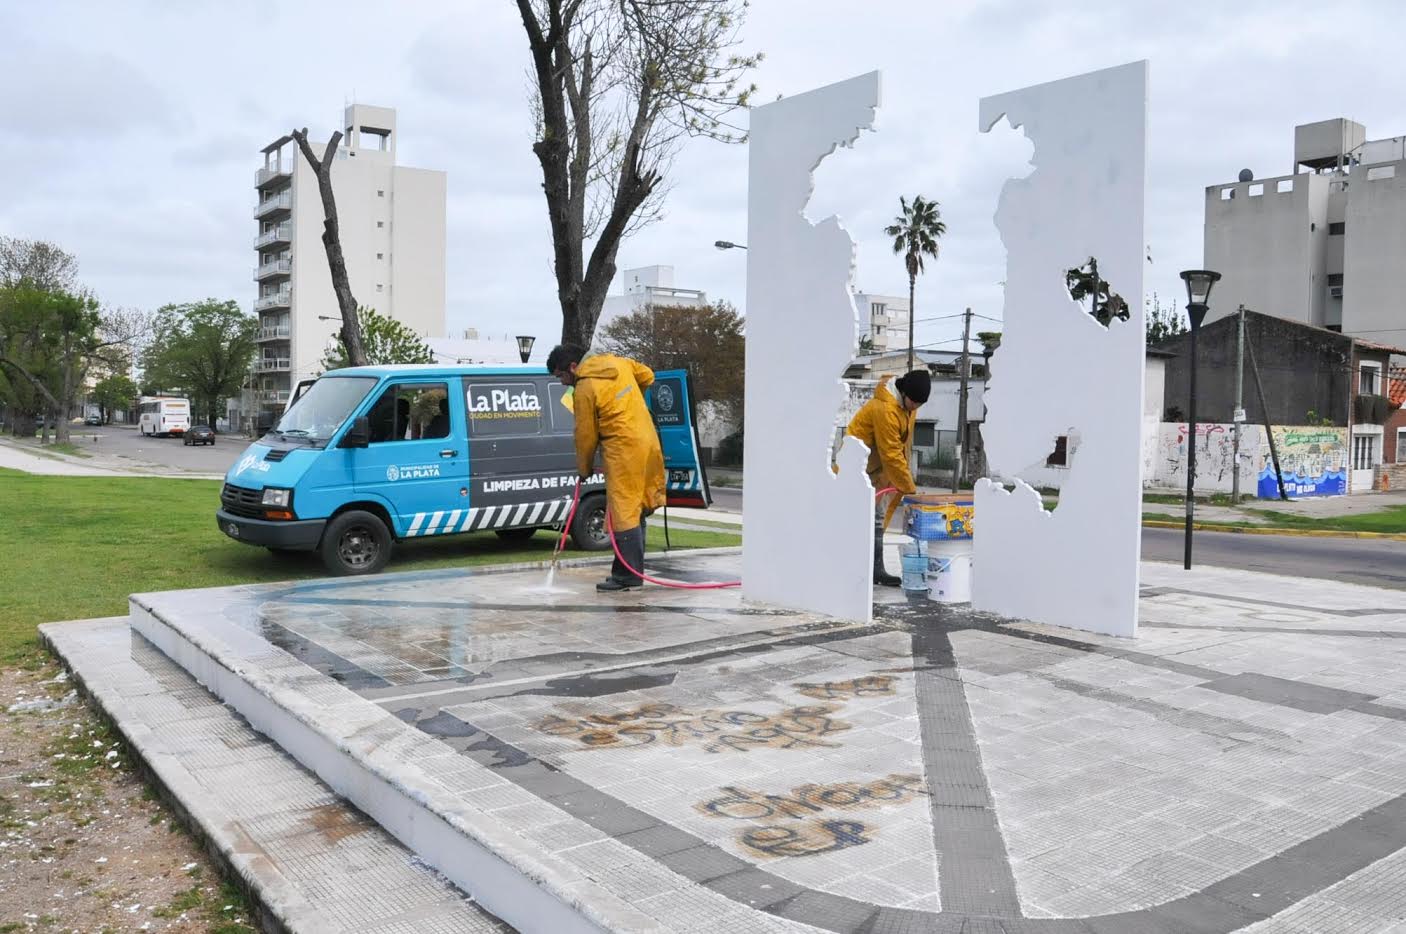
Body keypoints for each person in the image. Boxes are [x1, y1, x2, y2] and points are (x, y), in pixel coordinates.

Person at [547, 343, 667, 592]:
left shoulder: (584, 388)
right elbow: (648, 375)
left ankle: (628, 576)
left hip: (623, 448)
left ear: (572, 367)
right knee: (637, 508)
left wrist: (584, 468)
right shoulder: (619, 363)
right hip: (648, 441)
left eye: (561, 376)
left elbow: (585, 435)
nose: (562, 383)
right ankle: (630, 570)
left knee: (623, 512)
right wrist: (630, 400)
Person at [846, 369, 930, 586]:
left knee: (876, 517)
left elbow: (903, 447)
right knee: (865, 518)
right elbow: (891, 452)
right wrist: (909, 488)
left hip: (879, 470)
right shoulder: (884, 409)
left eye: (920, 404)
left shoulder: (907, 407)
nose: (916, 407)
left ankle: (869, 569)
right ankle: (872, 570)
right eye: (914, 402)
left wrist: (904, 479)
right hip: (858, 469)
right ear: (904, 392)